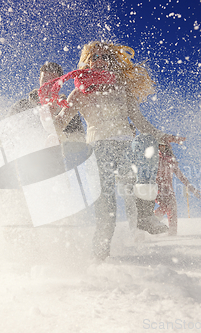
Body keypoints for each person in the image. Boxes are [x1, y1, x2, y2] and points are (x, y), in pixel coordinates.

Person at [39, 41, 186, 261]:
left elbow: (140, 122)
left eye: (104, 57)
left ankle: (144, 215)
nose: (99, 61)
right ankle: (99, 259)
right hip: (99, 149)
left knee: (146, 142)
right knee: (107, 211)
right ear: (86, 63)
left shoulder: (122, 88)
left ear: (111, 62)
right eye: (94, 58)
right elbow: (60, 124)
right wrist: (48, 114)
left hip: (127, 147)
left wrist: (164, 137)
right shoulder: (79, 93)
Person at [10, 62, 85, 143]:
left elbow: (79, 137)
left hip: (57, 153)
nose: (48, 85)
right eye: (45, 80)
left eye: (53, 81)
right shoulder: (22, 105)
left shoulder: (66, 109)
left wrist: (62, 138)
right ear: (40, 80)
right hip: (27, 152)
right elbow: (7, 130)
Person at [154, 144, 201, 236]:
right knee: (167, 206)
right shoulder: (155, 158)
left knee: (172, 209)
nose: (162, 147)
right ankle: (153, 220)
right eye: (160, 145)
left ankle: (172, 233)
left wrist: (191, 188)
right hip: (157, 188)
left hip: (169, 189)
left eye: (164, 145)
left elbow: (181, 176)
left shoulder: (171, 160)